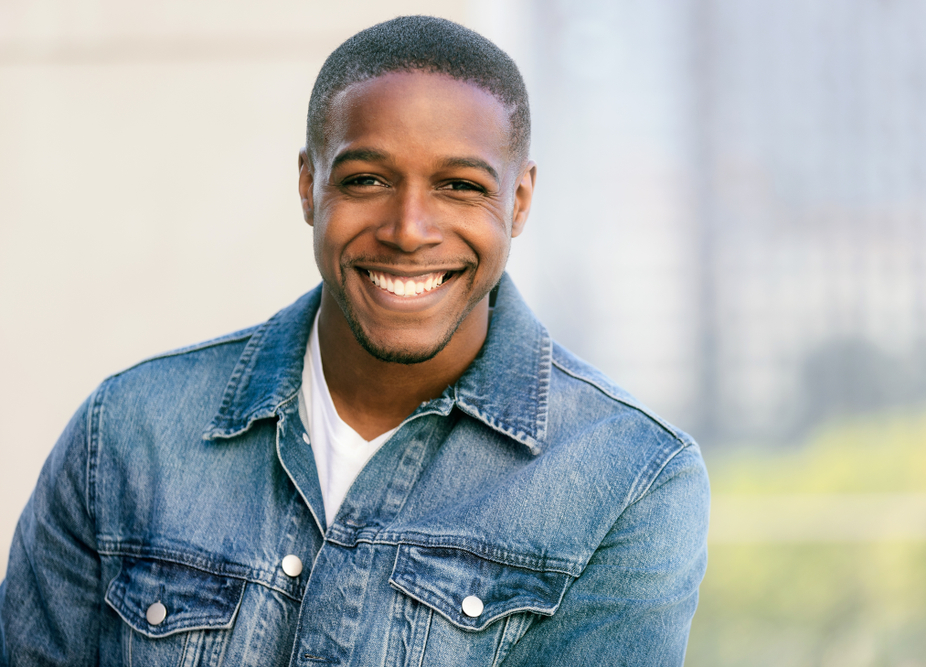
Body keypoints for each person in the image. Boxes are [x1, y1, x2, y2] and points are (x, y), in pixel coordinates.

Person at [0, 16, 709, 667]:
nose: (408, 230)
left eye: (459, 186)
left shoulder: (629, 479)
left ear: (518, 201)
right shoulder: (127, 431)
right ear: (309, 186)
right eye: (367, 180)